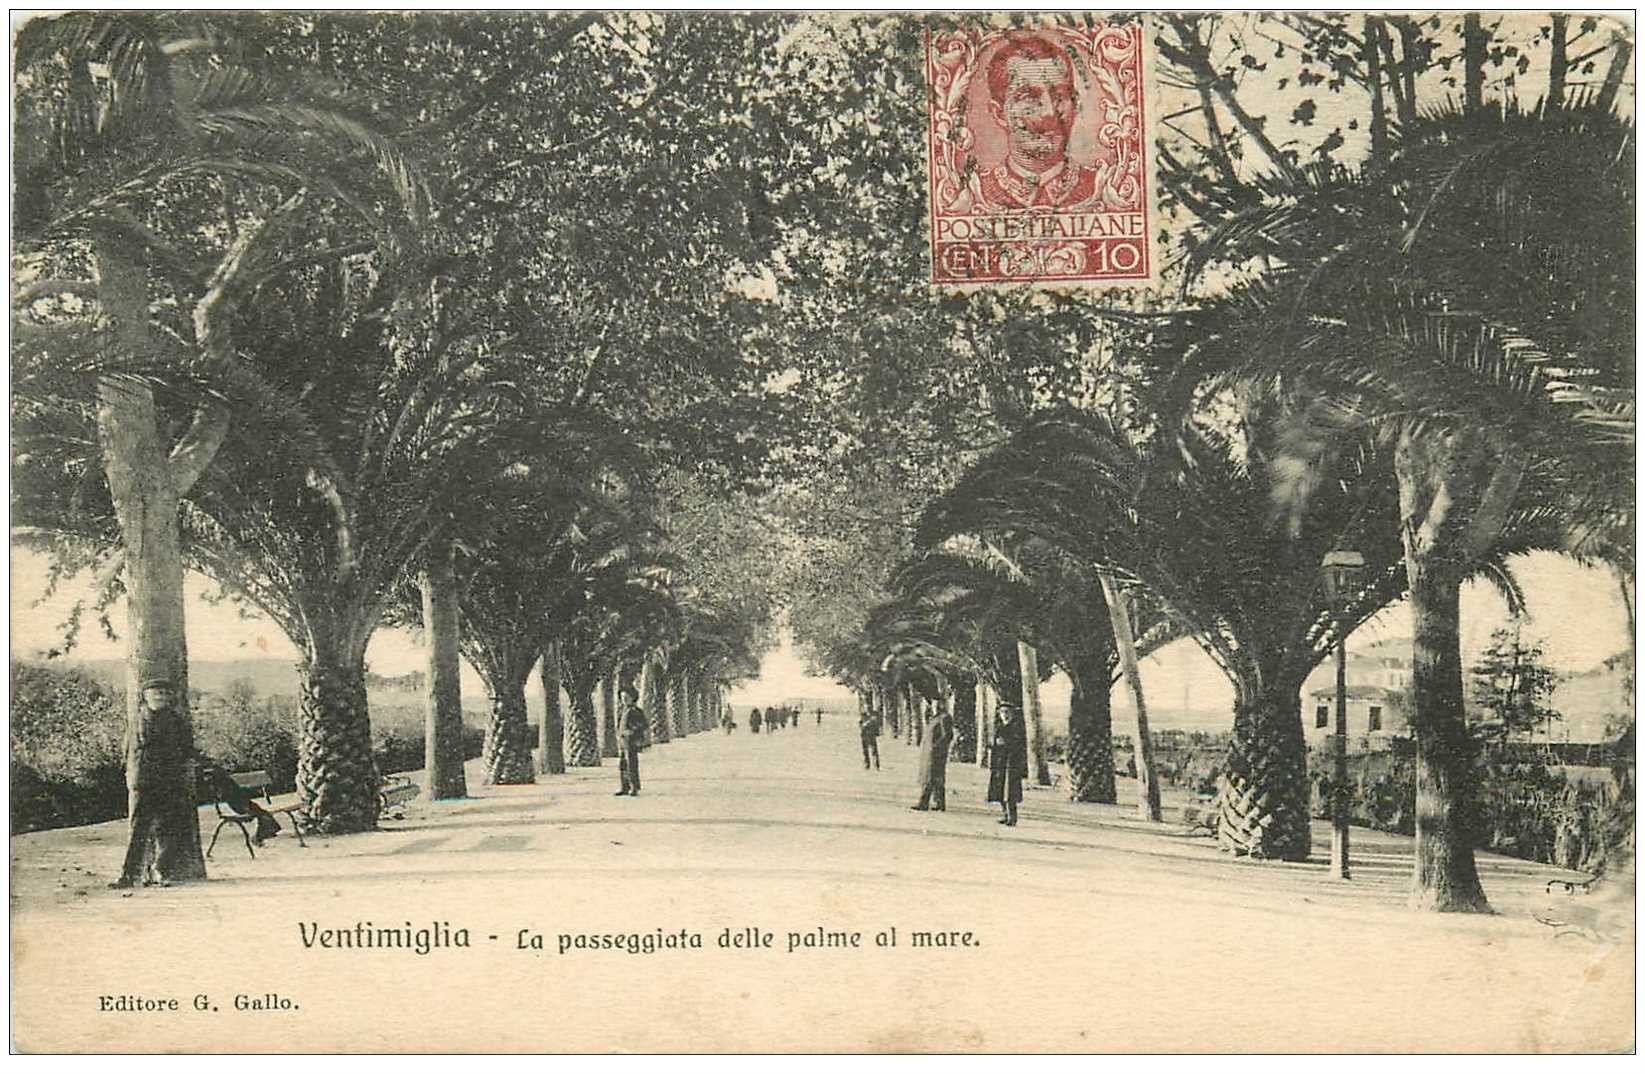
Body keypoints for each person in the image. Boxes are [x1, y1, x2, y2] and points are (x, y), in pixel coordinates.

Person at [975, 32, 1102, 212]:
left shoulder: (1102, 187)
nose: (1049, 113)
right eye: (1029, 98)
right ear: (999, 114)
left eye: (1060, 96)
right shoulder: (976, 191)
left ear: (1075, 104)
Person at [197, 753, 281, 843]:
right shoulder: (221, 781)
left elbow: (237, 792)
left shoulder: (223, 780)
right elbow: (233, 795)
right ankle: (260, 836)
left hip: (242, 802)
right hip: (239, 804)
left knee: (263, 814)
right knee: (262, 814)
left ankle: (262, 835)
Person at [987, 702, 1028, 826]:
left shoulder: (1016, 727)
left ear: (1012, 714)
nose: (1004, 715)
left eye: (1007, 712)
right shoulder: (999, 727)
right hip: (1000, 763)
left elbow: (1019, 745)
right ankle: (1005, 814)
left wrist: (1005, 743)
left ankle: (1012, 817)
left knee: (1010, 792)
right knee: (999, 791)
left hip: (1011, 764)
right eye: (1002, 712)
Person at [912, 703, 954, 811]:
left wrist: (936, 748)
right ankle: (939, 803)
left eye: (936, 704)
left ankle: (924, 802)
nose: (933, 707)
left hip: (936, 754)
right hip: (929, 753)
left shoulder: (944, 718)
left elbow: (947, 735)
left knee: (932, 777)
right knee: (932, 777)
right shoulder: (934, 718)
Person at [615, 685, 648, 797]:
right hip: (623, 742)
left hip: (631, 741)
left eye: (626, 698)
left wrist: (632, 731)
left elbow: (644, 725)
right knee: (623, 765)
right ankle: (624, 787)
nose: (624, 700)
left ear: (633, 698)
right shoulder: (622, 710)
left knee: (632, 765)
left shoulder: (636, 711)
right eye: (622, 698)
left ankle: (634, 787)